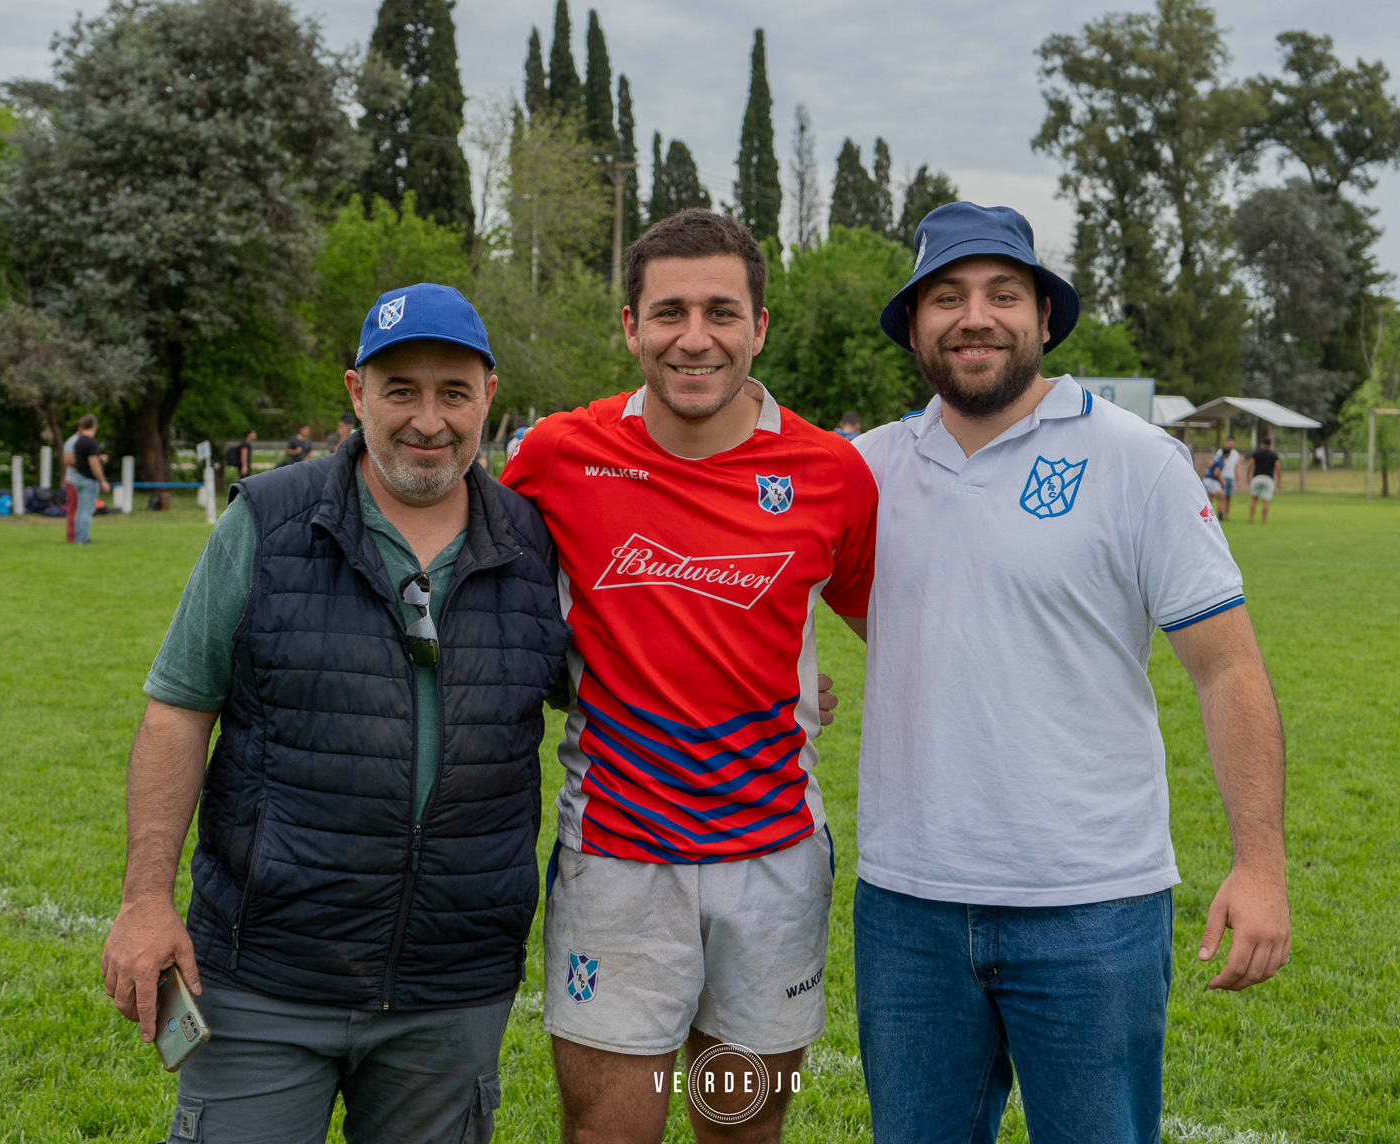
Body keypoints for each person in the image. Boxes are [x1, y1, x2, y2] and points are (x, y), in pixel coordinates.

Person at [851, 203, 1289, 1144]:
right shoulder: (865, 471)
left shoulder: (1138, 461)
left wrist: (1260, 866)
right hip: (908, 910)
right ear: (914, 325)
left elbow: (1227, 668)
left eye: (1003, 294)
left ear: (1044, 318)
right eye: (946, 298)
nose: (975, 317)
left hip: (1093, 907)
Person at [100, 283, 571, 1144]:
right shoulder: (267, 522)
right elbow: (178, 712)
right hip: (264, 979)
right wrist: (144, 900)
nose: (428, 420)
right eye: (401, 391)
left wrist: (782, 685)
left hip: (452, 987)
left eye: (453, 393)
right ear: (356, 393)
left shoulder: (536, 544)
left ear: (488, 398)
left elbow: (625, 686)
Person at [500, 209, 877, 1144]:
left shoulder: (830, 473)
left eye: (721, 311)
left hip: (773, 864)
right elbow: (484, 598)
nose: (695, 337)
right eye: (669, 312)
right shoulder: (558, 454)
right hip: (617, 861)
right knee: (610, 1133)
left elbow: (901, 636)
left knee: (739, 1130)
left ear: (760, 327)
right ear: (632, 326)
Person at [70, 415, 110, 545]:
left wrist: (99, 459)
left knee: (81, 508)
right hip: (89, 480)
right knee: (87, 509)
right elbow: (93, 463)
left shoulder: (78, 441)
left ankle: (79, 538)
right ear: (94, 426)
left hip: (78, 477)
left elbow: (82, 460)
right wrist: (102, 480)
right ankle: (84, 539)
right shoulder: (91, 442)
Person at [1247, 436, 1281, 522]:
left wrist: (1248, 475)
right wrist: (1279, 479)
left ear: (1262, 444)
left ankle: (1251, 518)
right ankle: (1263, 519)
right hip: (1268, 478)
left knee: (1254, 498)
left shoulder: (1256, 453)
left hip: (1257, 477)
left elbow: (1251, 463)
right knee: (1266, 500)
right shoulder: (1273, 455)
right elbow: (1277, 466)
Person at [1215, 436, 1242, 521]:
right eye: (1229, 442)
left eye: (1232, 442)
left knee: (1229, 497)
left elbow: (1236, 467)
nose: (1231, 443)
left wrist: (1238, 479)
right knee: (1222, 497)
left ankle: (1226, 515)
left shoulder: (1236, 454)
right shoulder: (1220, 451)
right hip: (1222, 477)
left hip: (1231, 477)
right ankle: (1220, 513)